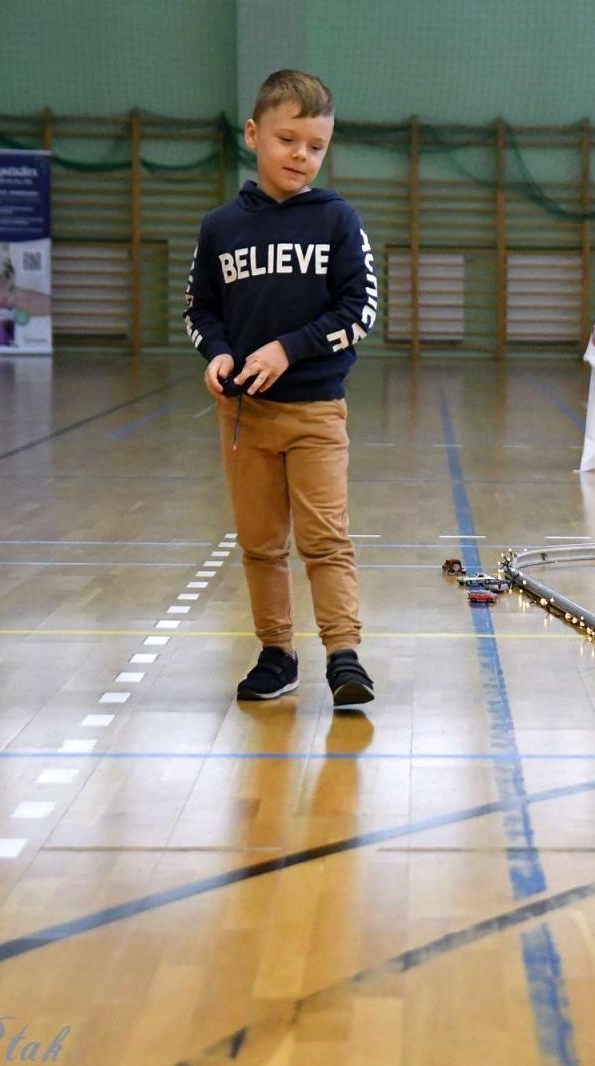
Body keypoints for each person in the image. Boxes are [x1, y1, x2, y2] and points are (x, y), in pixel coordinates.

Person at [183, 69, 378, 704]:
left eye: (315, 146)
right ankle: (276, 654)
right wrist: (216, 353)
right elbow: (199, 309)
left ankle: (344, 656)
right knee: (261, 544)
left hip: (317, 411)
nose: (301, 155)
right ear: (253, 134)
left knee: (325, 539)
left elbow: (360, 312)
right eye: (287, 139)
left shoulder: (338, 221)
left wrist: (288, 348)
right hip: (244, 419)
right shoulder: (219, 229)